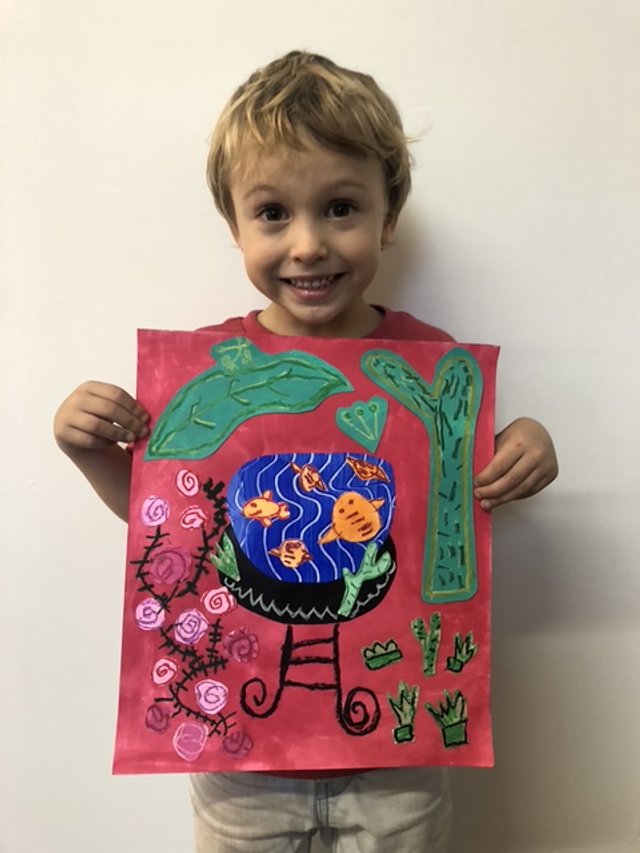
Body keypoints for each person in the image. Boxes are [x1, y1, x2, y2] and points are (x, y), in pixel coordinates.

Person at [54, 50, 558, 853]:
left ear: (389, 216)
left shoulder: (430, 361)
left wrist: (524, 448)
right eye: (273, 213)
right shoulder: (211, 377)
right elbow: (168, 522)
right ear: (234, 227)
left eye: (341, 208)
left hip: (397, 759)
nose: (308, 244)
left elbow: (459, 488)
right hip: (240, 765)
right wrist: (88, 451)